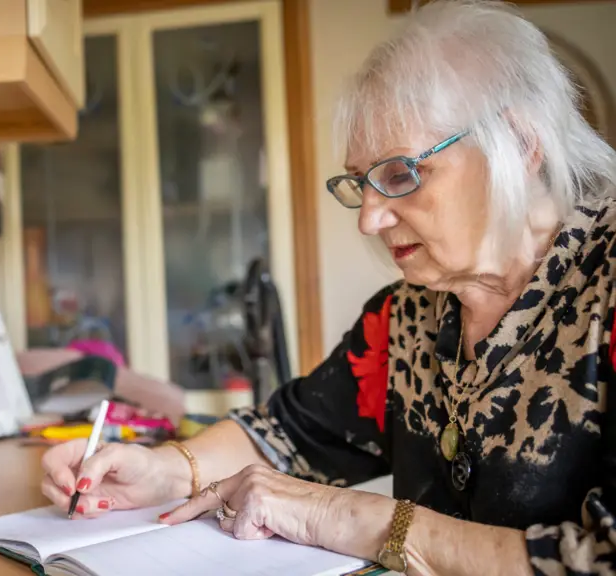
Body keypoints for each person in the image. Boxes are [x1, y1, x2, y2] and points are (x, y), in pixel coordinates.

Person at [38, 1, 616, 574]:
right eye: (362, 183)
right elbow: (290, 431)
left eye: (400, 174)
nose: (370, 219)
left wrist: (347, 517)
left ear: (517, 145)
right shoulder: (407, 316)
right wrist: (162, 469)